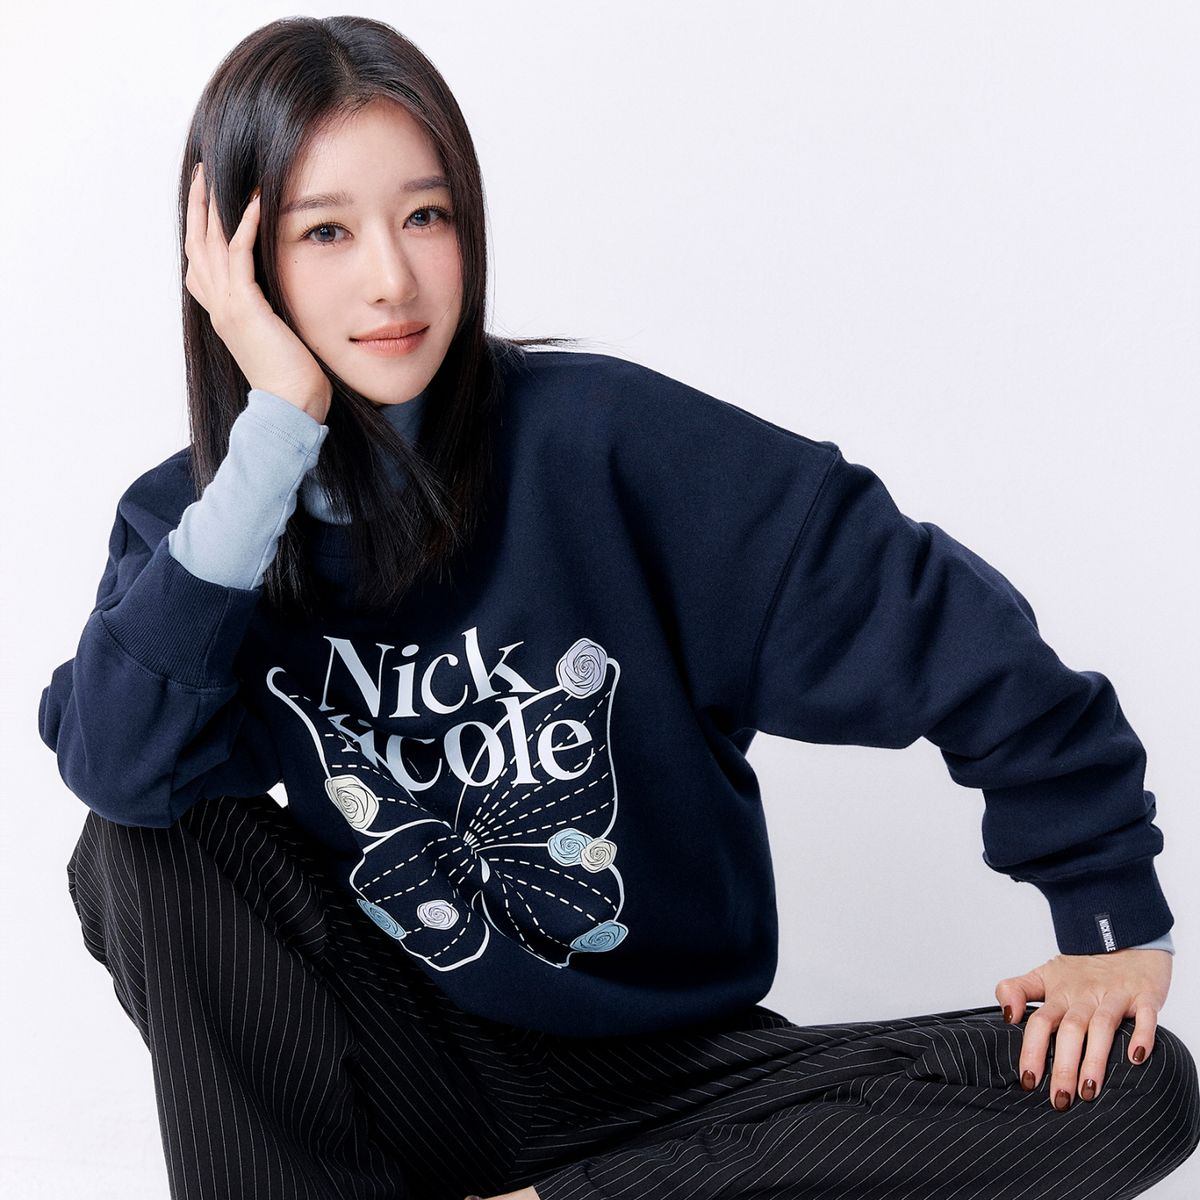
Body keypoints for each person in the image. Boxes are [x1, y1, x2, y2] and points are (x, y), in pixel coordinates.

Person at [37, 13, 1199, 1200]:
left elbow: (932, 621)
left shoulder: (605, 446)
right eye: (324, 231)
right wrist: (272, 441)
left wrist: (1107, 909)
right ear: (236, 266)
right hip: (409, 1068)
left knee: (1139, 1087)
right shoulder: (200, 529)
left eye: (426, 216)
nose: (392, 277)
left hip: (682, 1092)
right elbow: (118, 770)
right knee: (138, 833)